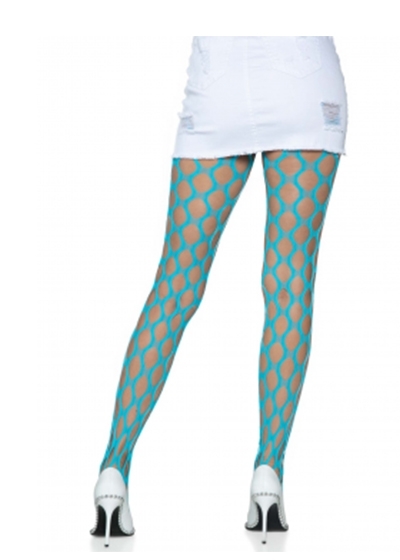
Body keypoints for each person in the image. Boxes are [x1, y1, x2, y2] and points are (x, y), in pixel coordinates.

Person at [89, 36, 348, 547]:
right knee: (289, 282)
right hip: (303, 81)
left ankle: (112, 475)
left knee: (176, 284)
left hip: (219, 81)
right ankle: (268, 477)